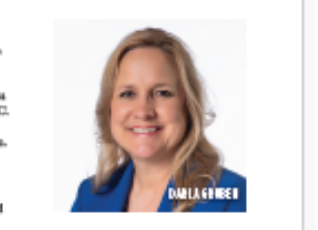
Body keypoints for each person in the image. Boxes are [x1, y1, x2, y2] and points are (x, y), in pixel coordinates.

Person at [71, 27, 246, 213]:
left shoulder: (234, 197)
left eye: (162, 93)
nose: (143, 112)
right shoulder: (90, 197)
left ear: (187, 106)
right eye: (128, 93)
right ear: (109, 107)